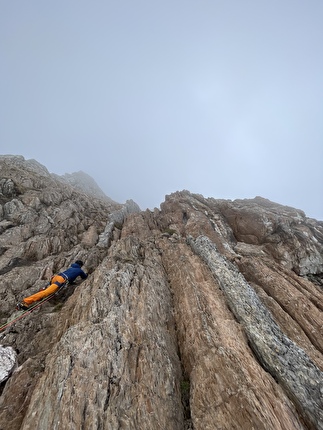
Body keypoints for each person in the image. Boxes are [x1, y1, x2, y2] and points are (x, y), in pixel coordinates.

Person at [17, 260, 88, 310]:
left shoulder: (71, 268)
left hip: (56, 277)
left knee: (47, 290)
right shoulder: (80, 270)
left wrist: (71, 282)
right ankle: (25, 302)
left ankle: (39, 296)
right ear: (81, 266)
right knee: (47, 292)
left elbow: (70, 276)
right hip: (61, 280)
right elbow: (84, 277)